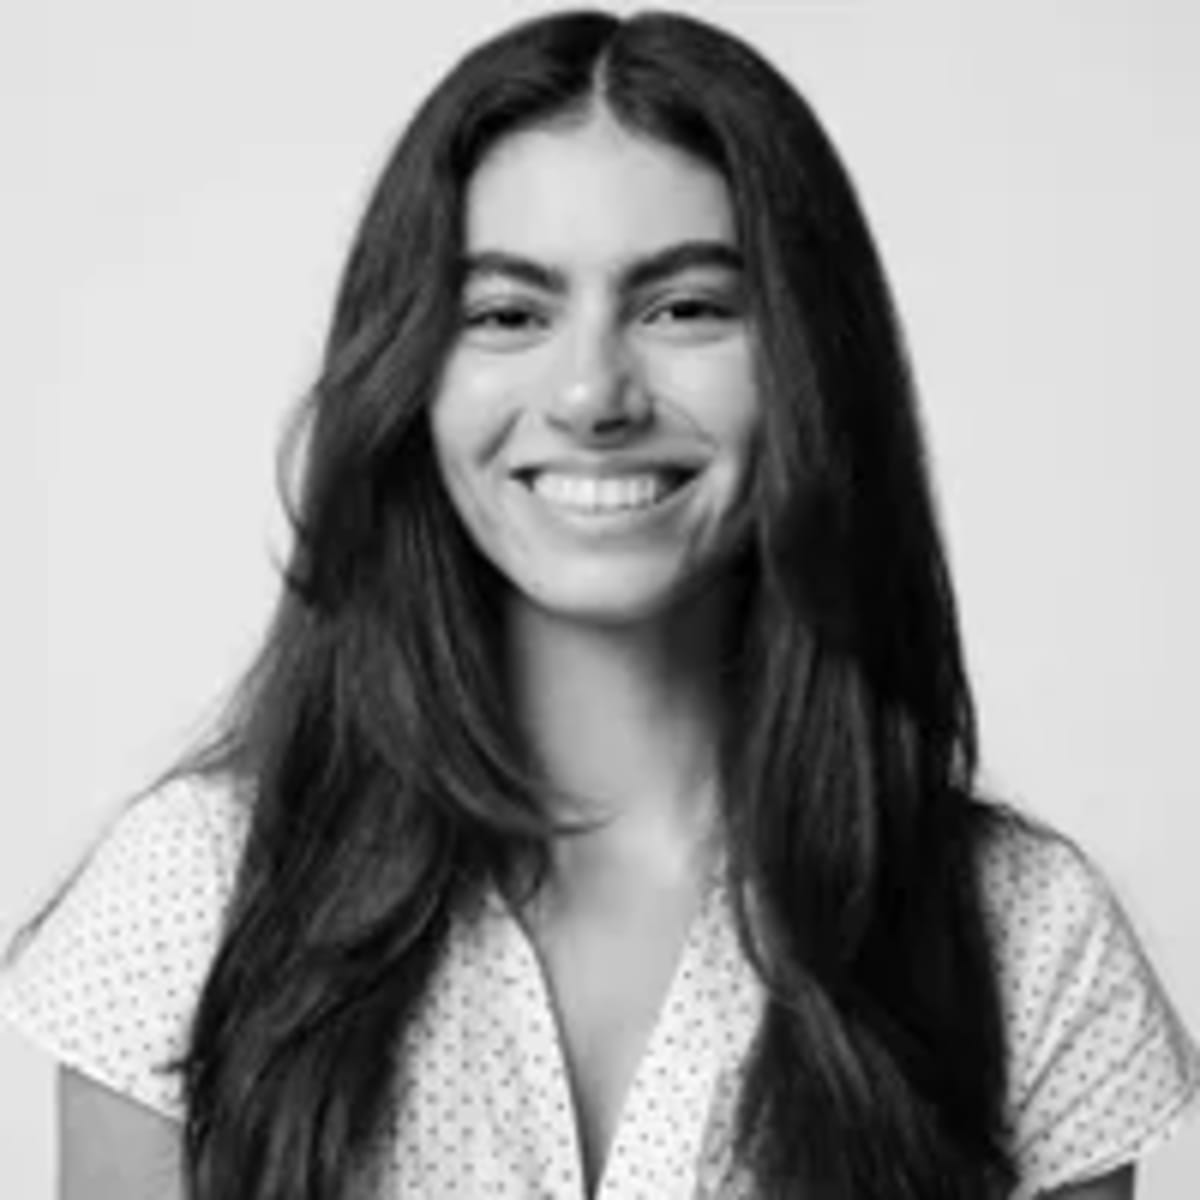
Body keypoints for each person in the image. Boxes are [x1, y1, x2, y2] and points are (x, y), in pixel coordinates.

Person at [3, 8, 1197, 1199]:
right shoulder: (190, 903)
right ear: (410, 375)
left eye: (685, 307)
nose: (591, 392)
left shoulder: (1023, 937)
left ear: (810, 365)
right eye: (507, 314)